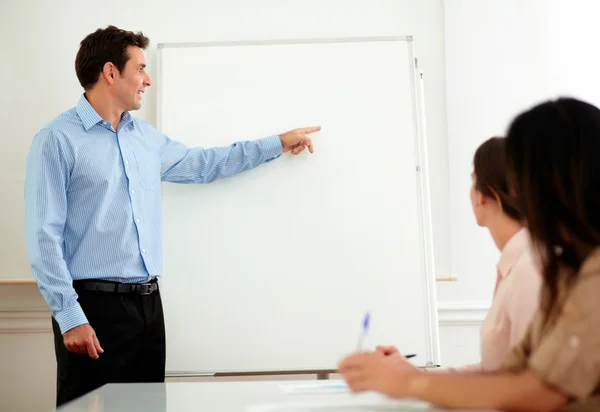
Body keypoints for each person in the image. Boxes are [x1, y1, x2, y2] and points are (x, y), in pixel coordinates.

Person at [24, 25, 320, 407]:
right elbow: (43, 236)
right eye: (141, 69)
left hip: (148, 305)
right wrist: (69, 315)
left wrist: (276, 143)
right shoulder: (56, 139)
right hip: (93, 309)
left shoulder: (145, 138)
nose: (147, 80)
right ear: (111, 72)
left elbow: (204, 163)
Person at [339, 97, 600, 411]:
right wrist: (412, 377)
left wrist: (408, 384)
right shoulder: (566, 269)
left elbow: (540, 391)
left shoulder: (582, 272)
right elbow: (509, 375)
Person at [378, 136, 542, 373]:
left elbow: (526, 385)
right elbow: (494, 371)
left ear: (483, 196)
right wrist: (413, 375)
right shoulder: (519, 263)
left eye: (473, 181)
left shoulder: (530, 270)